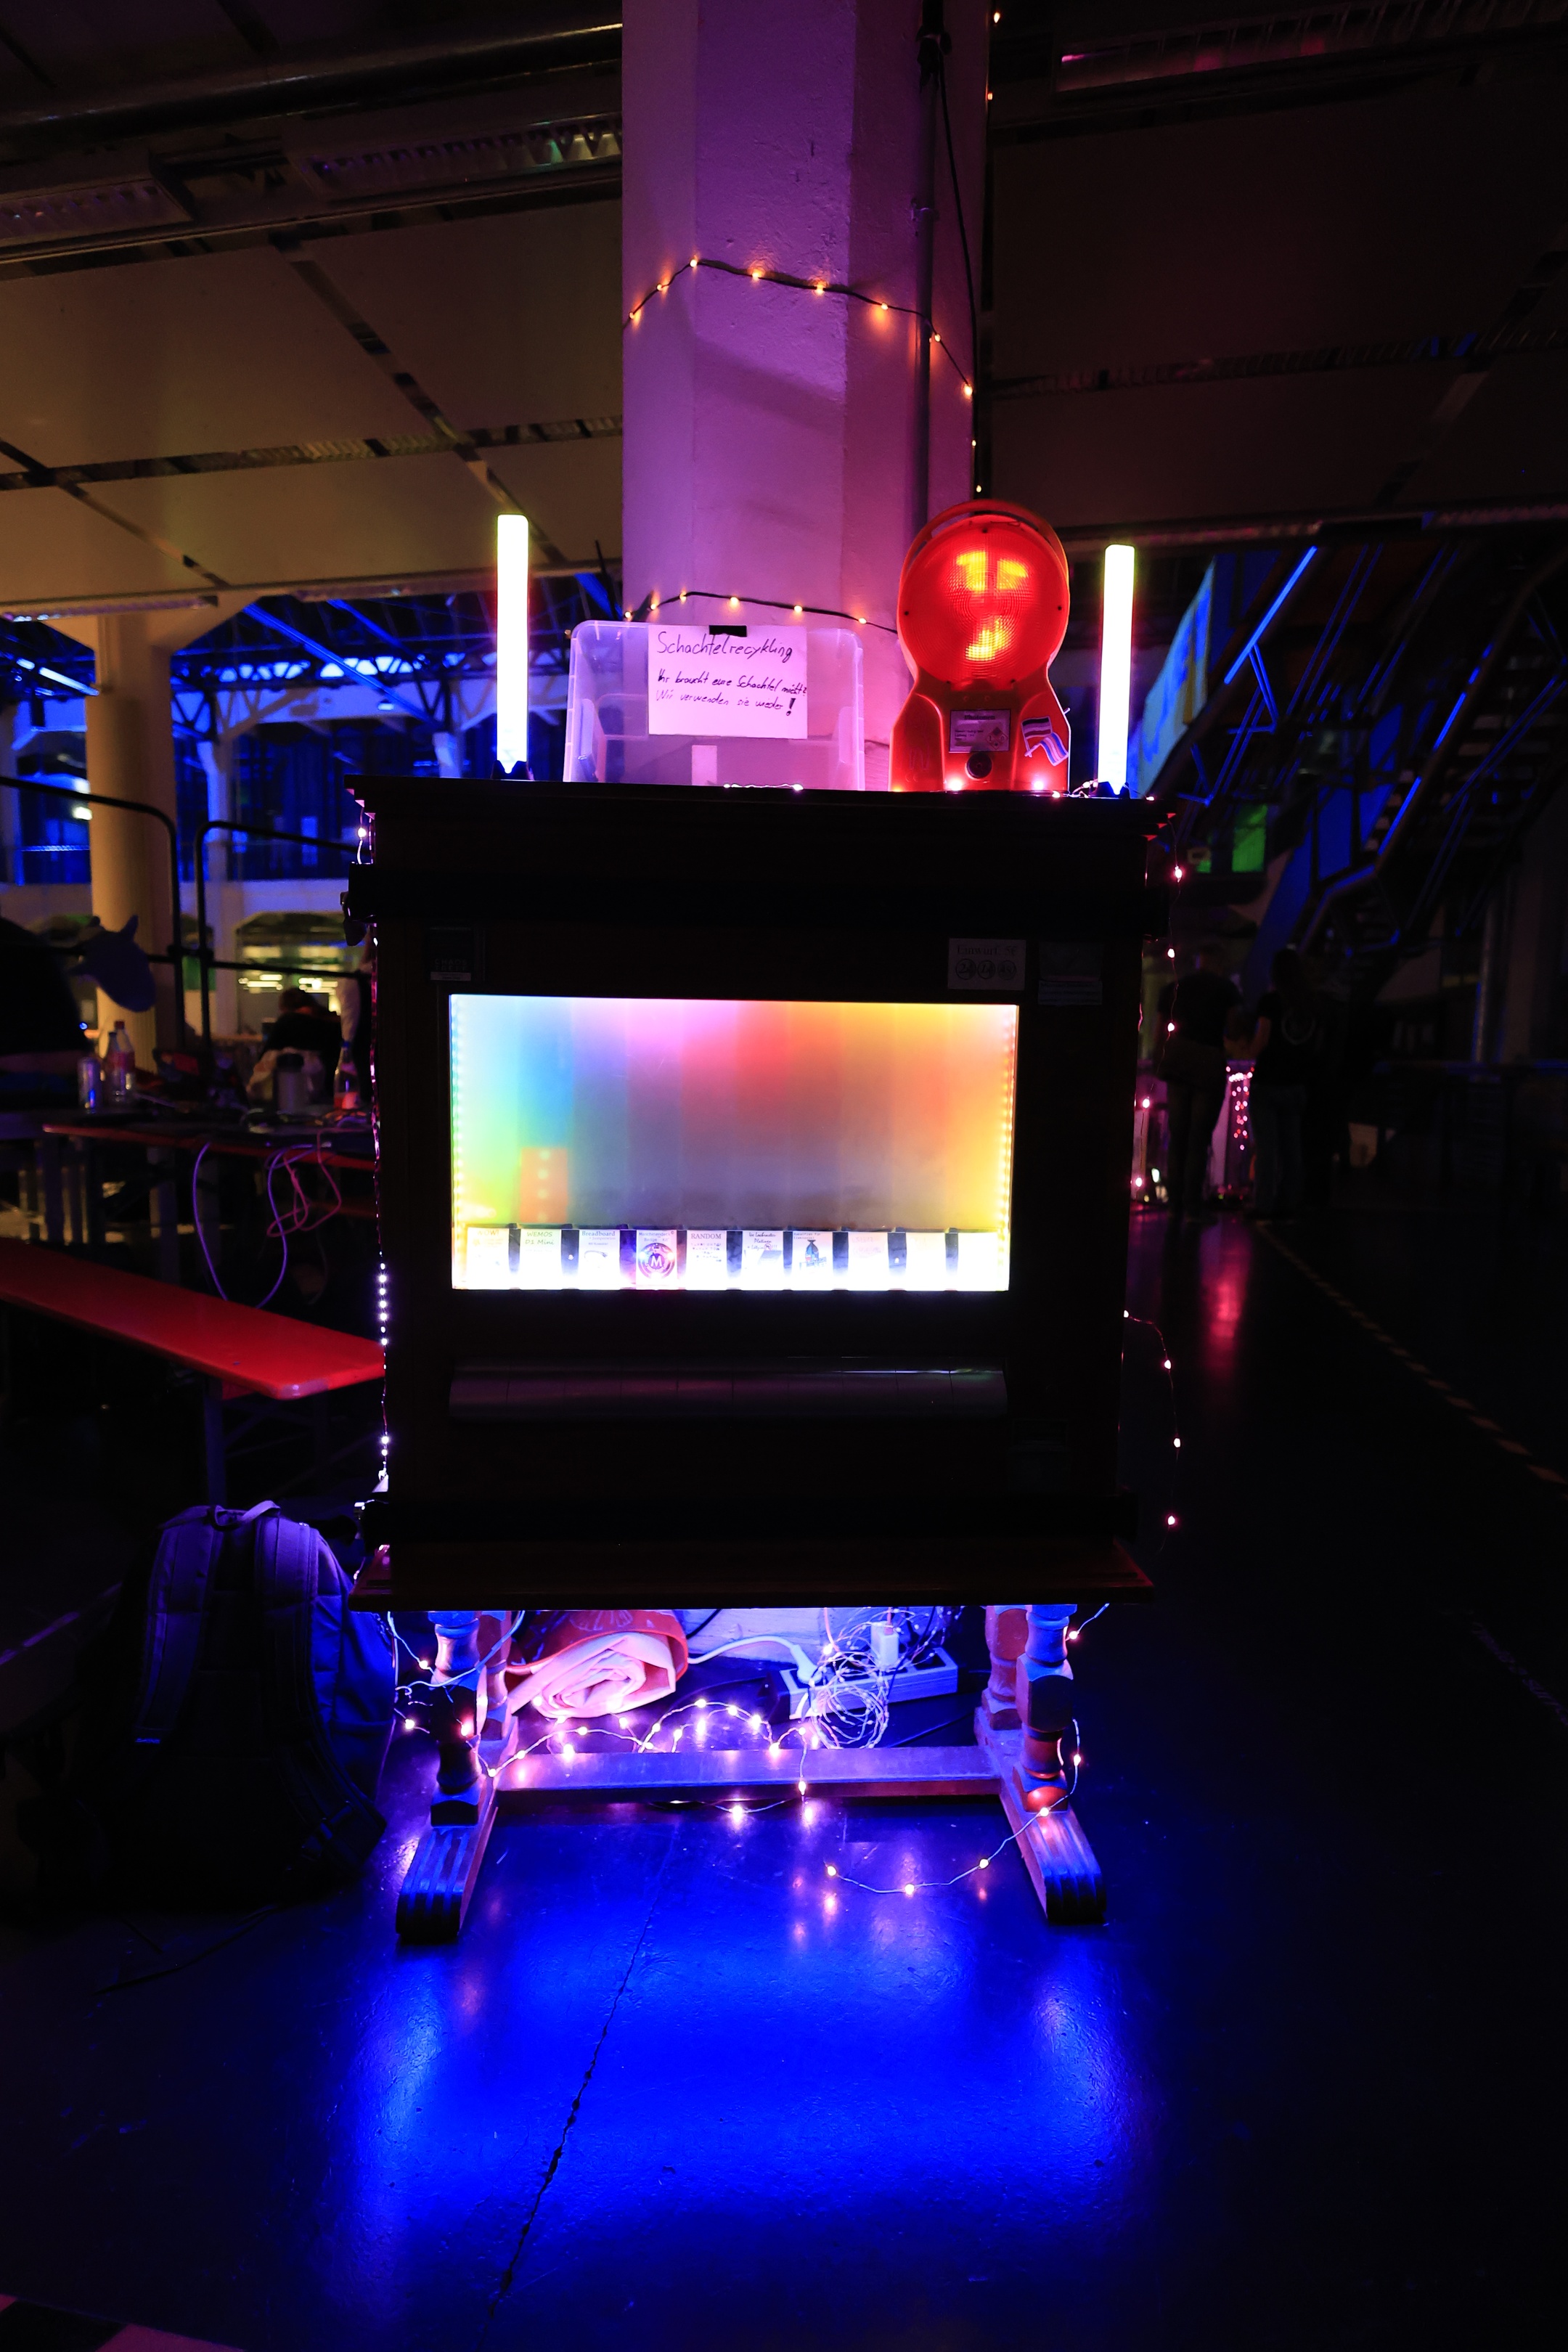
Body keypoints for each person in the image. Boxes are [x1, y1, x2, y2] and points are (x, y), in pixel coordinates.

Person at [1159, 942, 1241, 1220]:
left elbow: (1160, 1030)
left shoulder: (1175, 988)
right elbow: (1234, 1028)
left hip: (1179, 1063)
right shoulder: (1226, 990)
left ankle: (1174, 1205)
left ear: (1198, 960)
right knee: (1198, 1139)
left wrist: (1161, 1061)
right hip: (1208, 1064)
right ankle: (1192, 1207)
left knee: (1178, 1137)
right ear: (1217, 961)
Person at [1248, 945, 1322, 1218]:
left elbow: (1262, 1039)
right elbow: (1315, 1045)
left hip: (1268, 1082)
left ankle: (1264, 1205)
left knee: (1267, 1149)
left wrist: (1245, 1052)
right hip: (1297, 1084)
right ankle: (1289, 1203)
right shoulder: (1311, 1003)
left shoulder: (1270, 1001)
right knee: (1293, 1149)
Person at [0, 913, 88, 1108]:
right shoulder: (23, 943)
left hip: (30, 1097)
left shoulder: (15, 947)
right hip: (53, 1094)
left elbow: (67, 1056)